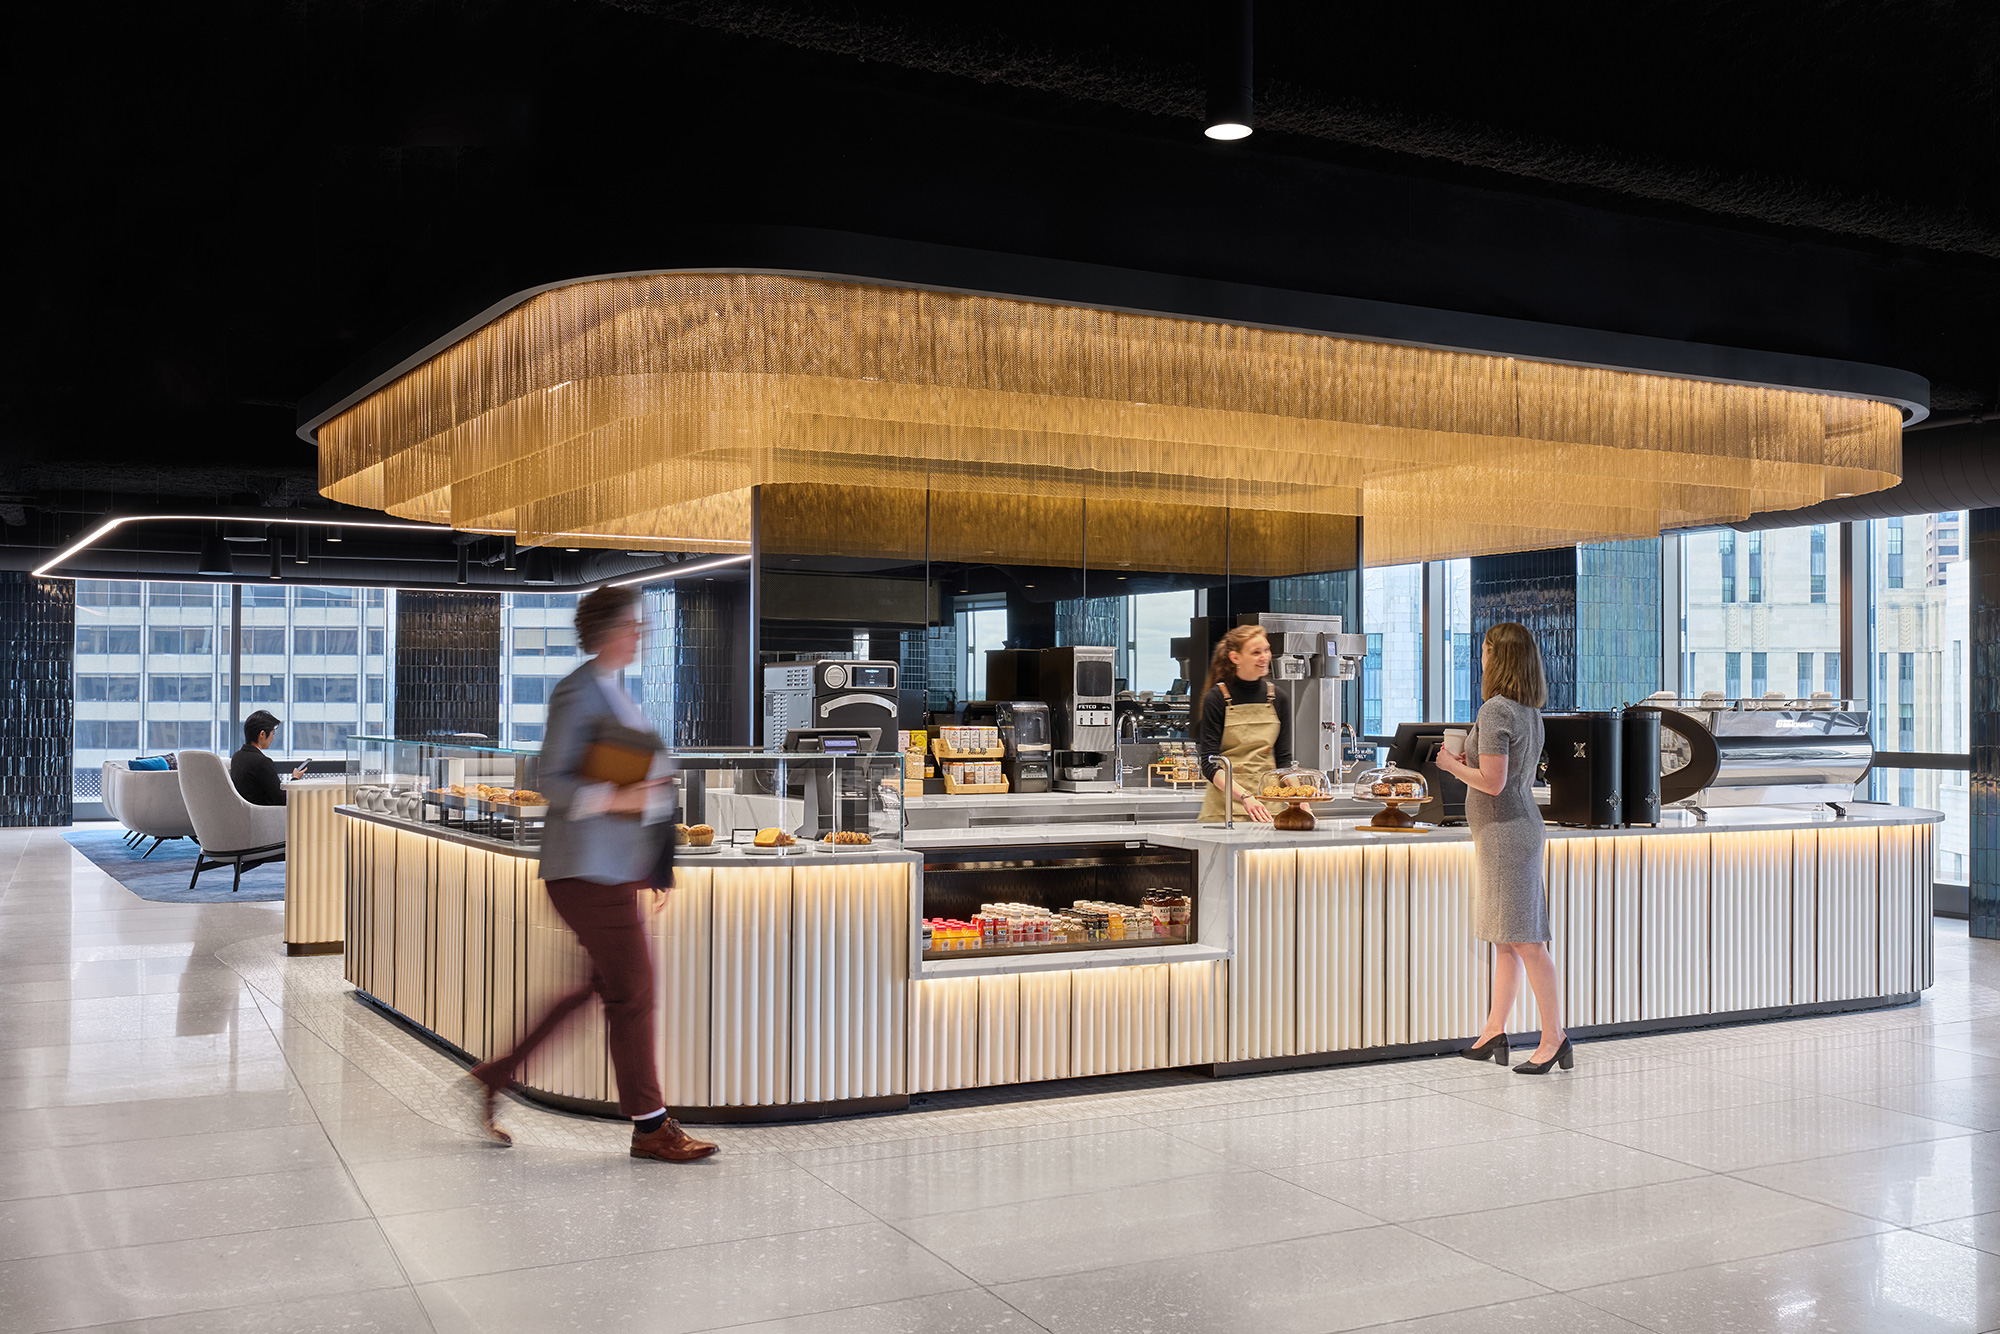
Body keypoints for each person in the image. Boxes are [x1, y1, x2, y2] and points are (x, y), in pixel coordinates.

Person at [468, 585, 718, 1162]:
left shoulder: (613, 689)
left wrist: (651, 863)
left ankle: (497, 1074)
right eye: (632, 625)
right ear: (606, 630)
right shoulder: (577, 691)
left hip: (613, 870)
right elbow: (552, 780)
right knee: (634, 992)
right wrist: (620, 797)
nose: (640, 634)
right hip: (583, 870)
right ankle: (651, 1128)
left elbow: (642, 782)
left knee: (607, 987)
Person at [1432, 622, 1571, 1075]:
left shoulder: (1495, 710)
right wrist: (1469, 764)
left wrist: (1451, 765)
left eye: (1486, 649)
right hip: (1513, 829)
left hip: (1504, 833)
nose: (1482, 656)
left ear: (1499, 657)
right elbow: (1508, 777)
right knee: (1506, 938)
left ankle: (1554, 1038)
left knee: (1526, 940)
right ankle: (1494, 1030)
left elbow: (1492, 784)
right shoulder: (1527, 711)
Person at [1195, 625, 1293, 825]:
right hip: (1225, 807)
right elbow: (1210, 764)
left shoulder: (1278, 697)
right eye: (1256, 652)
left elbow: (1284, 761)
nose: (1264, 657)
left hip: (1268, 805)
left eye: (1266, 650)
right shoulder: (1217, 698)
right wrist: (1245, 796)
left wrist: (1300, 800)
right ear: (1235, 657)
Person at [230, 710, 303, 806]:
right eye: (273, 734)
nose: (272, 738)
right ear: (262, 734)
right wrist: (295, 779)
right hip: (265, 812)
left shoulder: (237, 756)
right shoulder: (262, 762)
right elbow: (282, 799)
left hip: (244, 811)